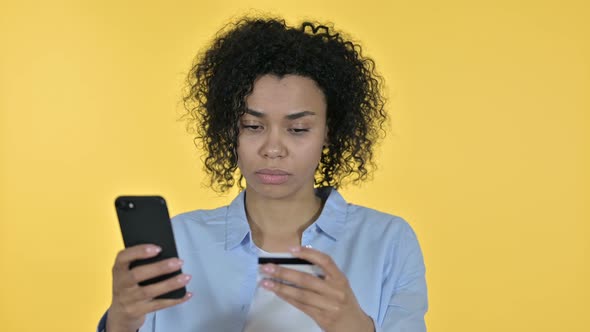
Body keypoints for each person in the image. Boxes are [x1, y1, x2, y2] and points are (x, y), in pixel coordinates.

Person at [98, 16, 427, 332]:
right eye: (252, 126)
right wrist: (121, 323)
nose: (273, 148)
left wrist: (358, 329)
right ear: (229, 130)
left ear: (329, 131)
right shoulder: (181, 241)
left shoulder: (387, 241)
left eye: (298, 129)